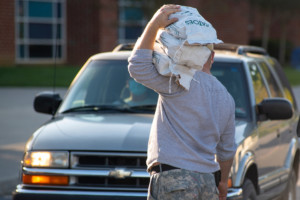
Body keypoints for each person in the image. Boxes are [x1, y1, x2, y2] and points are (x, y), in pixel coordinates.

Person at [128, 4, 236, 200]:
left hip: (175, 181)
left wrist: (153, 25)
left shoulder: (178, 81)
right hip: (207, 183)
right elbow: (226, 150)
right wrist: (222, 184)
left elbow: (137, 66)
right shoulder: (226, 97)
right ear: (212, 56)